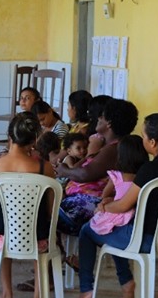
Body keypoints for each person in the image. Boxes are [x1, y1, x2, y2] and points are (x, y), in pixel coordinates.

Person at [71, 112, 158, 298]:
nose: (142, 140)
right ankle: (126, 287)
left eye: (144, 136)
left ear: (153, 142)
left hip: (143, 239)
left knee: (87, 231)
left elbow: (123, 205)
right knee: (115, 229)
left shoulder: (149, 170)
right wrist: (112, 203)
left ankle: (86, 290)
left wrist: (104, 207)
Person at [0, 112, 57, 298]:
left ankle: (7, 296)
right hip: (38, 239)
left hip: (2, 238)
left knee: (2, 228)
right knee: (40, 235)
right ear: (34, 140)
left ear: (9, 136)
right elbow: (50, 211)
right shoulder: (44, 168)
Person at [55, 99, 138, 236]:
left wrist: (64, 170)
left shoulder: (114, 149)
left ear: (109, 123)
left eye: (102, 116)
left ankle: (48, 246)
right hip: (83, 201)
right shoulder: (109, 146)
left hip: (93, 206)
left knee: (41, 210)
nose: (98, 118)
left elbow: (85, 174)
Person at [88, 135, 149, 235]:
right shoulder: (145, 175)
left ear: (120, 156)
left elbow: (104, 196)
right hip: (137, 218)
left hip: (117, 214)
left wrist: (111, 200)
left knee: (87, 228)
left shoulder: (117, 176)